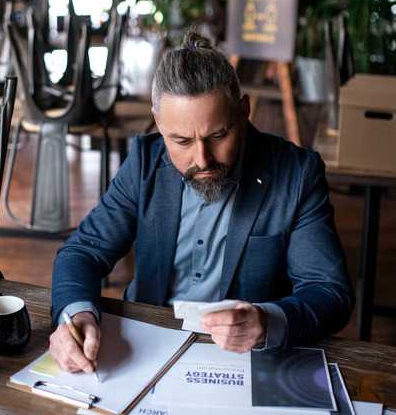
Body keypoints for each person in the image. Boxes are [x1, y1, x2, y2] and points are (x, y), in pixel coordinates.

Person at [48, 27, 354, 376]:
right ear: (160, 125)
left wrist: (267, 321)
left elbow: (330, 292)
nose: (203, 159)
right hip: (143, 347)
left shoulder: (296, 174)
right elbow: (83, 252)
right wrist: (77, 315)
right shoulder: (145, 163)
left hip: (242, 359)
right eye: (181, 141)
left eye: (218, 135)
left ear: (243, 112)